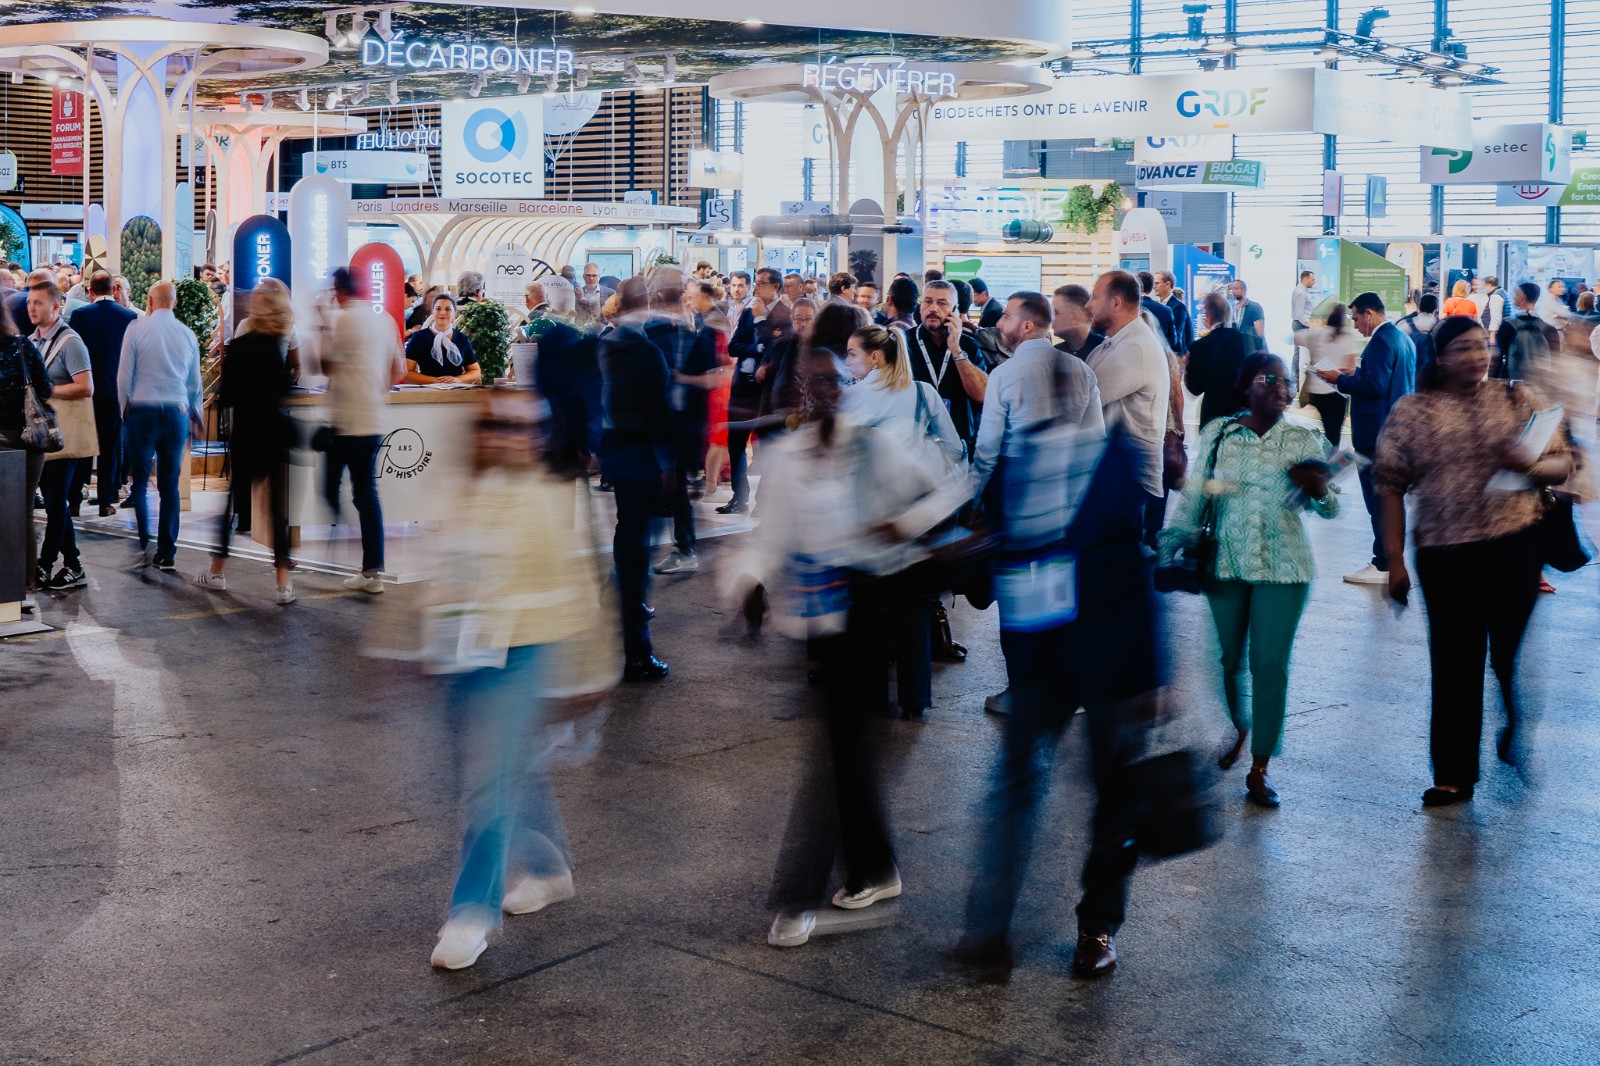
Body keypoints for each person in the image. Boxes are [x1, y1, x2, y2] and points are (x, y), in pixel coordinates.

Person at [726, 346, 970, 949]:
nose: (821, 392)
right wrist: (751, 581)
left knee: (838, 752)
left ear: (847, 387)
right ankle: (875, 867)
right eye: (809, 383)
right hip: (817, 618)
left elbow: (948, 488)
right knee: (846, 750)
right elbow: (772, 534)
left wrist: (899, 526)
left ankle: (799, 896)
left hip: (871, 607)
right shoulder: (788, 457)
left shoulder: (873, 446)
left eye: (832, 381)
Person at [948, 388, 1157, 981]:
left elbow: (1133, 563)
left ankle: (1097, 928)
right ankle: (989, 932)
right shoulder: (1017, 463)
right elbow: (1002, 546)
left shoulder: (1113, 459)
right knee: (1013, 788)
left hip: (1109, 655)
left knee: (1112, 797)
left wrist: (1150, 676)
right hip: (1041, 654)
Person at [428, 394, 603, 970]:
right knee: (506, 769)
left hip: (527, 653)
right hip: (465, 657)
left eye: (519, 428)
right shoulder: (463, 490)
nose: (504, 437)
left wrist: (587, 677)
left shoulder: (553, 497)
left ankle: (472, 912)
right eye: (492, 425)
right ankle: (551, 870)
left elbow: (585, 590)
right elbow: (439, 576)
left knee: (490, 783)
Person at [1374, 317, 1570, 808]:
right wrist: (1394, 561)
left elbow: (1563, 464)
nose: (1478, 356)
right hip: (1444, 552)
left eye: (1482, 346)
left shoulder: (1518, 398)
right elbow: (1390, 486)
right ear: (1440, 358)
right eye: (1463, 348)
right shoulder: (1413, 410)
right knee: (1454, 662)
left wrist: (1526, 463)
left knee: (1505, 652)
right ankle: (1453, 775)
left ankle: (1513, 718)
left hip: (1515, 544)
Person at [1161, 353, 1338, 807]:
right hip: (1226, 563)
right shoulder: (1220, 433)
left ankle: (1260, 765)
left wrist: (1317, 488)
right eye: (1269, 378)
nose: (1281, 387)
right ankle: (1241, 725)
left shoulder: (1304, 438)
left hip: (1285, 568)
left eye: (1286, 381)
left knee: (1269, 663)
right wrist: (1170, 545)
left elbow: (1331, 506)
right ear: (1246, 386)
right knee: (1227, 661)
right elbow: (1196, 495)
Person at [840, 323, 965, 722]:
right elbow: (956, 447)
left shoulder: (852, 399)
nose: (847, 361)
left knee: (870, 613)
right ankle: (915, 699)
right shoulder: (924, 393)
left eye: (852, 353)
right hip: (916, 518)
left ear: (875, 357)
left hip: (868, 519)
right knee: (913, 610)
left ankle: (875, 694)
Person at [196, 280, 296, 603]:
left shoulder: (240, 345)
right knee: (277, 509)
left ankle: (217, 571)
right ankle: (283, 584)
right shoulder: (278, 344)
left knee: (231, 505)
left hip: (246, 433)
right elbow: (285, 386)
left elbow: (228, 395)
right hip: (274, 432)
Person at [598, 276, 673, 681]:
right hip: (643, 460)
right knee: (637, 550)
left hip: (616, 454)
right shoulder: (645, 351)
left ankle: (626, 597)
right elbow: (659, 414)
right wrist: (669, 464)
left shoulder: (605, 345)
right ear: (643, 304)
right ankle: (638, 653)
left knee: (628, 536)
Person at [1314, 290, 1416, 586]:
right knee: (1390, 500)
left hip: (1376, 433)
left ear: (1369, 313)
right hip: (1395, 430)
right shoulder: (1402, 338)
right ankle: (1389, 560)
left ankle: (1383, 562)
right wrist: (1354, 374)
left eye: (1357, 318)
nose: (1356, 325)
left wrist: (1340, 379)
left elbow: (1375, 387)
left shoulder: (1381, 340)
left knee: (1378, 501)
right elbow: (1386, 379)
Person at [322, 267, 405, 594]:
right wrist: (375, 390)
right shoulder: (384, 319)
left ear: (340, 290)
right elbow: (398, 370)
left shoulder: (343, 320)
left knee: (329, 487)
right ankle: (372, 571)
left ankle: (340, 542)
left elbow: (326, 366)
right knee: (367, 494)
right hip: (373, 420)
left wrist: (322, 325)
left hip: (346, 422)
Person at [119, 281, 202, 571]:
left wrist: (123, 409)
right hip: (176, 412)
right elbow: (194, 383)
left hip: (142, 410)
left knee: (140, 483)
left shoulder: (136, 329)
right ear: (174, 303)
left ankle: (144, 543)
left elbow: (124, 376)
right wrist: (196, 416)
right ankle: (167, 553)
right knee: (170, 485)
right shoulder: (187, 334)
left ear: (150, 301)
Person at [1085, 271, 1170, 545]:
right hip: (1119, 478)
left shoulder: (1134, 348)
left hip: (1131, 482)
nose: (1088, 305)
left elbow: (1083, 403)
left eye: (1094, 297)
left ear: (1116, 302)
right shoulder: (1115, 343)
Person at [646, 272, 718, 577]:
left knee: (673, 488)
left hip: (683, 424)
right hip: (662, 421)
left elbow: (712, 376)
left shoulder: (696, 333)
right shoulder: (654, 331)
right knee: (668, 489)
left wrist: (685, 379)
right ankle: (681, 547)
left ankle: (684, 548)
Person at [28, 284, 93, 591]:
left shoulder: (71, 342)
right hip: (42, 436)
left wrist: (50, 390)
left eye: (38, 303)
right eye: (30, 302)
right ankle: (73, 564)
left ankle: (45, 563)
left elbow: (86, 386)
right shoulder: (31, 342)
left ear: (56, 307)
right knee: (55, 502)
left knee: (56, 500)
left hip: (64, 435)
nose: (32, 308)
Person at [67, 272, 138, 517]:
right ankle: (106, 501)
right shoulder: (128, 317)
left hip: (85, 390)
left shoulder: (80, 315)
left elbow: (72, 351)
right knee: (110, 447)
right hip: (114, 391)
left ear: (91, 292)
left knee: (81, 447)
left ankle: (74, 501)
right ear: (114, 290)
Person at [724, 267, 786, 514]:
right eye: (757, 283)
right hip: (742, 388)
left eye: (761, 283)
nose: (756, 288)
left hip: (766, 391)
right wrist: (757, 348)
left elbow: (779, 348)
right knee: (735, 444)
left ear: (775, 287)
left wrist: (763, 327)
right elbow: (733, 347)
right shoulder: (749, 312)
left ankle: (765, 501)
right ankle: (739, 498)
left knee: (769, 447)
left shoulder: (785, 314)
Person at [903, 280, 989, 458]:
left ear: (954, 310)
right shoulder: (903, 342)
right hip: (913, 442)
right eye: (928, 302)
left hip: (958, 441)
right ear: (920, 307)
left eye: (942, 303)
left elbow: (982, 395)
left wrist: (956, 349)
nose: (933, 308)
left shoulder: (967, 345)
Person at [0, 301, 49, 609]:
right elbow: (45, 388)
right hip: (30, 440)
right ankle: (26, 589)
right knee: (25, 514)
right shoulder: (22, 345)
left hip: (2, 443)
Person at [1294, 302, 1362, 447]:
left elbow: (1296, 337)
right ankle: (1330, 457)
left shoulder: (1316, 334)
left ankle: (1321, 451)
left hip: (1316, 391)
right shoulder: (1348, 338)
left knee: (1326, 426)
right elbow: (1350, 368)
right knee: (1333, 433)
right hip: (1336, 391)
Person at [1187, 292, 1251, 429]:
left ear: (1208, 315)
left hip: (1213, 414)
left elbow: (1195, 388)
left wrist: (1186, 367)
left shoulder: (1199, 346)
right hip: (1243, 412)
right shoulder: (1247, 341)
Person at [403, 294, 481, 384]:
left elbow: (475, 371)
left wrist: (458, 379)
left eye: (448, 309)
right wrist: (436, 381)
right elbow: (406, 373)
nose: (443, 313)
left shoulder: (461, 338)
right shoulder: (419, 337)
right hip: (428, 389)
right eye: (438, 309)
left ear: (455, 313)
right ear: (432, 311)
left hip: (456, 389)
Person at [1051, 284, 1103, 362]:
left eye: (1056, 313)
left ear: (1077, 315)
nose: (1051, 319)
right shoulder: (1055, 354)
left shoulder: (1103, 350)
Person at [1137, 271, 1178, 354]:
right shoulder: (1166, 310)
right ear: (1152, 287)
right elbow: (1173, 341)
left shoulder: (1129, 308)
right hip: (1160, 355)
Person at [1153, 270, 1192, 355]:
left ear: (1168, 284)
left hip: (1173, 354)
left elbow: (1176, 334)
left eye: (1157, 283)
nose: (1154, 287)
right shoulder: (1156, 305)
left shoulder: (1178, 306)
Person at [1228, 279, 1266, 353]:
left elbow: (1259, 333)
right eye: (1232, 289)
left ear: (1244, 289)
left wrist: (1260, 350)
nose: (1233, 291)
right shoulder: (1231, 308)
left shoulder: (1254, 307)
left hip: (1250, 348)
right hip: (1234, 349)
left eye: (1236, 288)